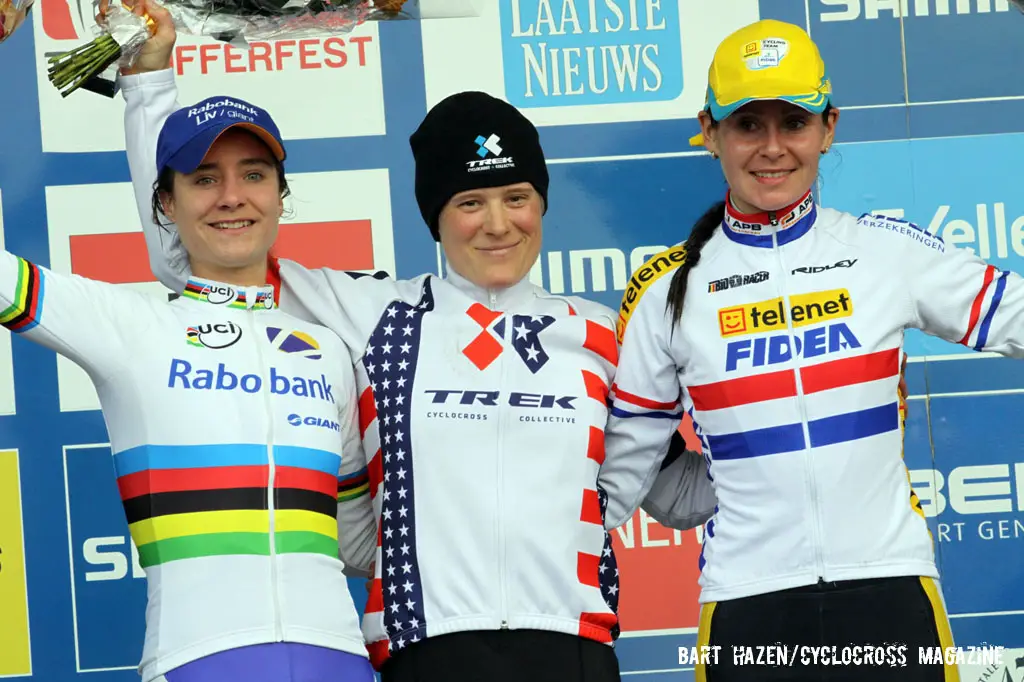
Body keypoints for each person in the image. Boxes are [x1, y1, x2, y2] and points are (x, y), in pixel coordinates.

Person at [115, 4, 720, 681]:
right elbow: (190, 260)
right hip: (427, 654)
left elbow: (681, 495)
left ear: (543, 203)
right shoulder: (373, 313)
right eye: (469, 202)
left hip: (572, 651)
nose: (497, 224)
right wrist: (148, 84)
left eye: (516, 196)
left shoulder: (606, 335)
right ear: (436, 216)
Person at [601, 18, 1024, 682]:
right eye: (748, 124)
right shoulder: (668, 292)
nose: (772, 148)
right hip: (746, 607)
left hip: (889, 590)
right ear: (710, 134)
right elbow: (627, 469)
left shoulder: (883, 251)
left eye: (793, 122)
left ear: (828, 128)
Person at [2, 12, 378, 678]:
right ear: (166, 206)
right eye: (204, 179)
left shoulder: (328, 351)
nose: (232, 197)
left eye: (254, 175)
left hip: (339, 661)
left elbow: (358, 543)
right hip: (199, 659)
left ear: (281, 196)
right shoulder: (131, 327)